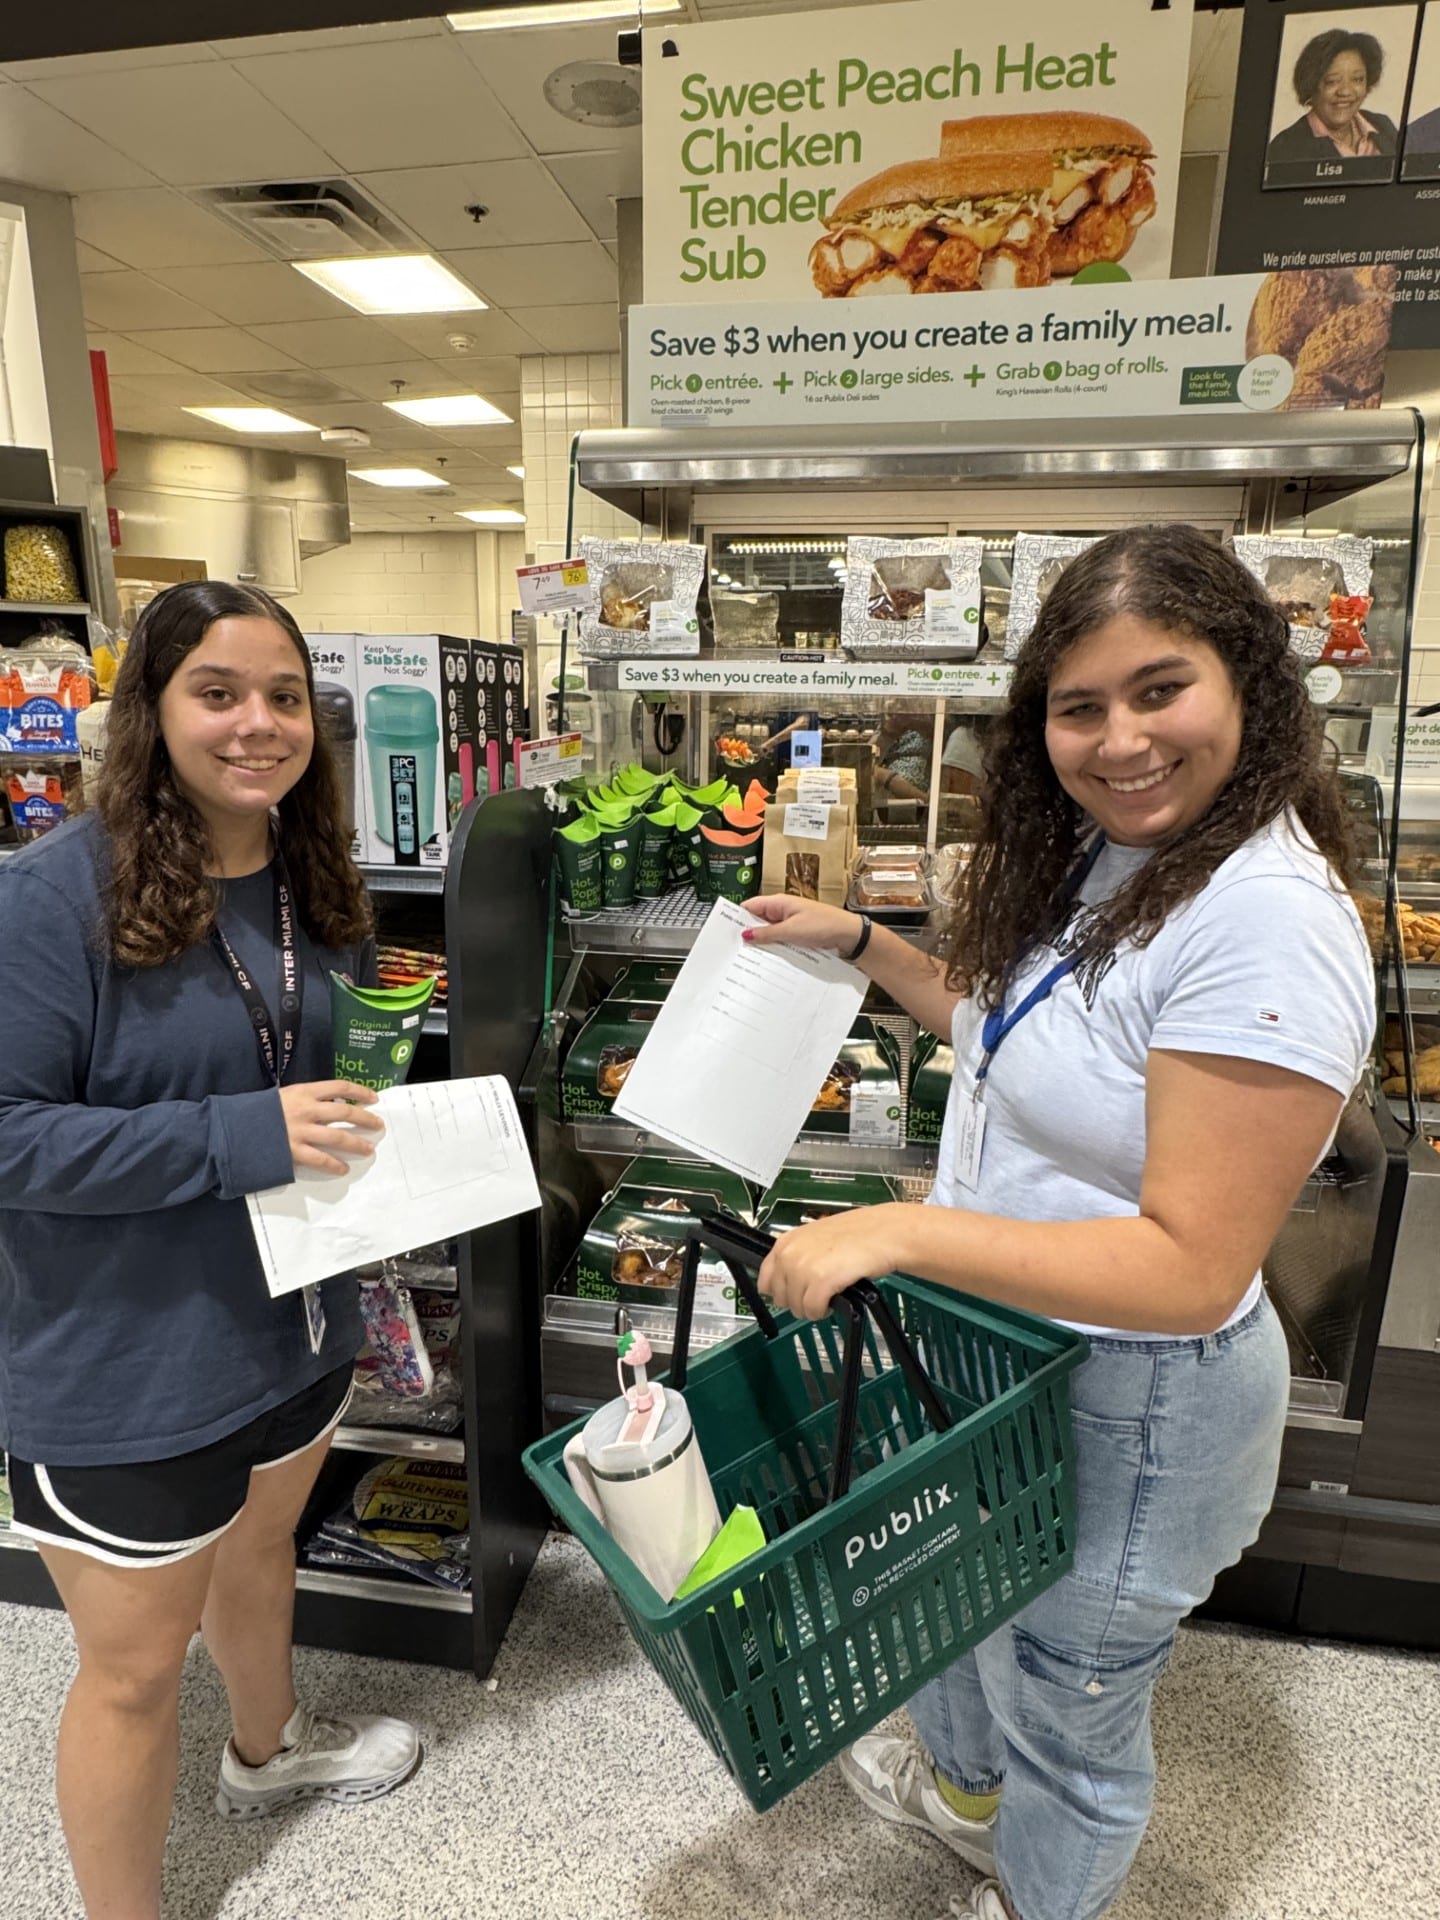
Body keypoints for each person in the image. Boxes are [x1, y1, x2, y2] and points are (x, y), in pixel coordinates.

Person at [742, 525, 1374, 1920]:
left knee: (1069, 1709)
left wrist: (906, 1235)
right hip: (1020, 1357)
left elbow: (1191, 1265)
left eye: (1161, 689)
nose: (1120, 740)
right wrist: (864, 944)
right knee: (980, 1610)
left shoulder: (1265, 920)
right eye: (1080, 706)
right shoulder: (1124, 857)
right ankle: (970, 1811)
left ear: (1248, 683)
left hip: (1139, 1402)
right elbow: (1009, 1033)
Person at [0, 581, 423, 1920]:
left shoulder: (312, 877)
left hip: (292, 1323)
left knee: (259, 1547)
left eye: (285, 696)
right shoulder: (51, 898)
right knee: (133, 1672)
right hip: (127, 1360)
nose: (259, 724)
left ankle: (265, 1750)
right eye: (219, 693)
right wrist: (244, 1135)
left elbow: (320, 1079)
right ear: (152, 710)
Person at [1266, 28, 1398, 166]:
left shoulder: (1383, 125)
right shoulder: (1286, 148)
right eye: (1332, 81)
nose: (1345, 92)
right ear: (1311, 84)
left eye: (1357, 79)